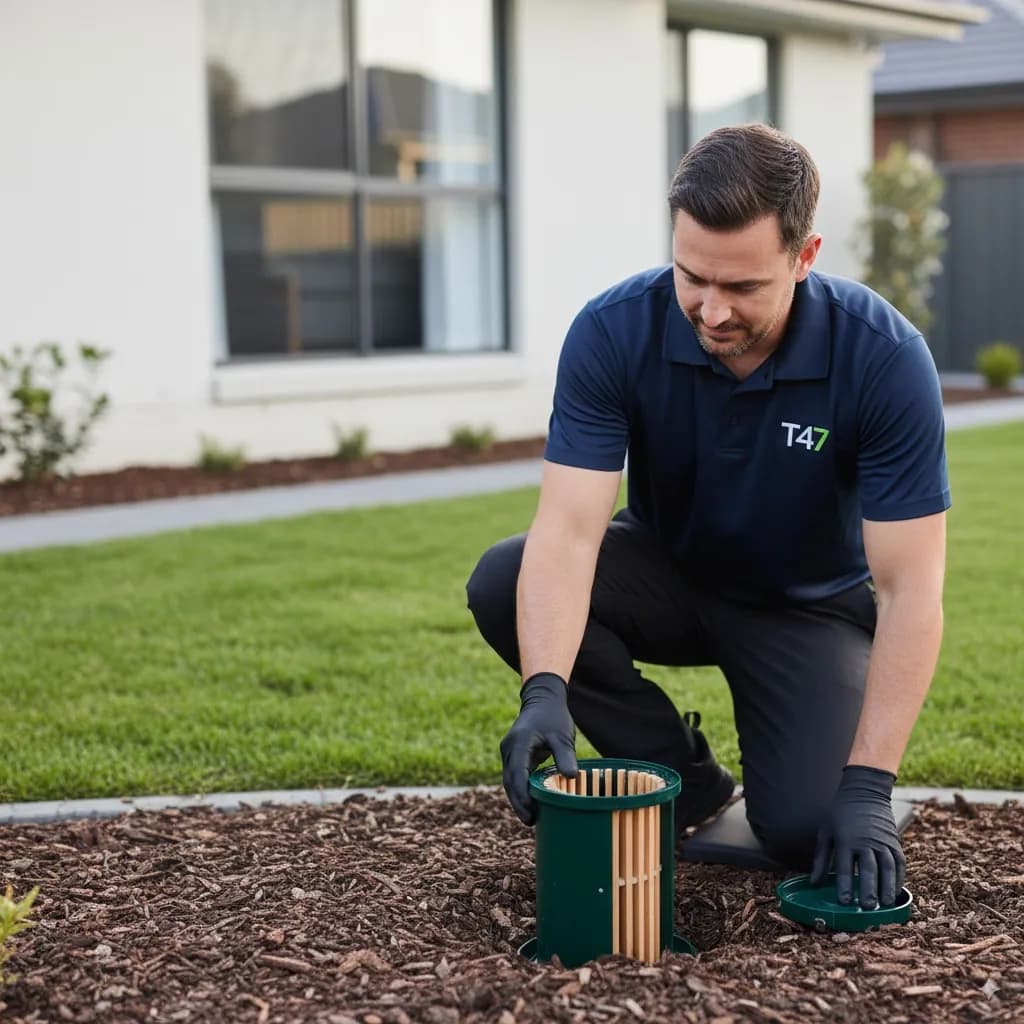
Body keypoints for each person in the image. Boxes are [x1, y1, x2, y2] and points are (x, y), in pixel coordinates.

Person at [466, 123, 949, 911]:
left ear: (805, 256)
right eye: (693, 276)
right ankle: (685, 784)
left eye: (744, 288)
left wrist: (868, 788)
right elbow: (570, 531)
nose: (713, 310)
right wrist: (544, 690)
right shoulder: (613, 329)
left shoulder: (884, 359)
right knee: (502, 578)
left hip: (808, 609)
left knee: (804, 831)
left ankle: (820, 791)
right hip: (671, 574)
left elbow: (911, 592)